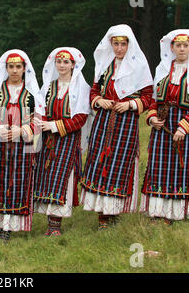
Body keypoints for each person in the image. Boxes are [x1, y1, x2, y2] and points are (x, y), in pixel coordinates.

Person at [80, 24, 154, 230]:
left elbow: (148, 98)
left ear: (129, 45)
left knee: (119, 163)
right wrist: (98, 101)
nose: (119, 48)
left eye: (123, 44)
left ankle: (115, 211)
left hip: (126, 122)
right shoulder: (104, 65)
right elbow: (94, 91)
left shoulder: (139, 66)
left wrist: (130, 104)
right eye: (116, 44)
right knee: (99, 161)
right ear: (110, 44)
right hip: (103, 121)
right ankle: (102, 214)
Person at [140, 30, 189, 224]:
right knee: (158, 166)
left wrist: (184, 127)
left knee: (179, 168)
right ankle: (156, 211)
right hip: (161, 126)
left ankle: (174, 213)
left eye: (185, 46)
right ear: (171, 48)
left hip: (183, 127)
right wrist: (152, 117)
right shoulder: (163, 69)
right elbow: (155, 100)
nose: (181, 49)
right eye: (178, 45)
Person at [0, 49, 45, 241]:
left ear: (24, 69)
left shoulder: (31, 93)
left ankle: (9, 226)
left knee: (17, 184)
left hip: (23, 147)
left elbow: (38, 118)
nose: (14, 70)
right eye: (11, 66)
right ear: (5, 68)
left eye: (18, 67)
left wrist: (21, 131)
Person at [34, 48, 92, 236]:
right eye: (59, 61)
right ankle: (49, 225)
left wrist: (54, 125)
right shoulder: (48, 87)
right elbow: (40, 109)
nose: (62, 65)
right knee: (47, 178)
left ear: (74, 65)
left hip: (67, 139)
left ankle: (55, 227)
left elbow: (81, 117)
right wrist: (41, 122)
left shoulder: (81, 87)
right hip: (48, 140)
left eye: (66, 62)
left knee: (62, 179)